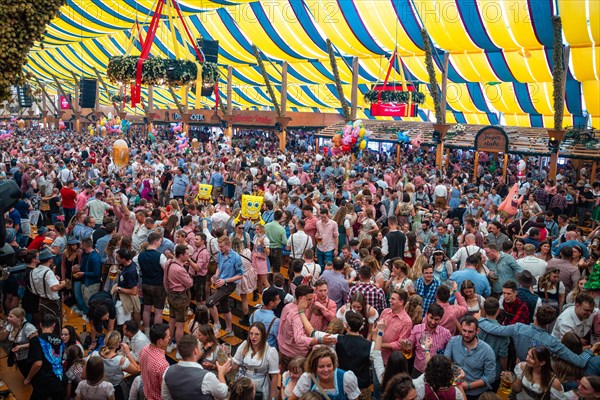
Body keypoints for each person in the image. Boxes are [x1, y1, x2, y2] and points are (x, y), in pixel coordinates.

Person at [278, 285, 336, 372]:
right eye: (309, 299)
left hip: (283, 349)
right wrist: (319, 340)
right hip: (294, 355)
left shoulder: (288, 306)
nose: (312, 302)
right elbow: (299, 338)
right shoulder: (296, 316)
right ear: (301, 298)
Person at [161, 334, 231, 400]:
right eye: (199, 348)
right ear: (195, 350)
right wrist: (221, 373)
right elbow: (222, 394)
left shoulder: (168, 371)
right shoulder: (206, 377)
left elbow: (165, 396)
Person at [445, 316, 496, 399]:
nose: (466, 334)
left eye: (470, 332)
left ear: (477, 331)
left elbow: (490, 377)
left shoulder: (487, 351)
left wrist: (468, 386)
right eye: (464, 330)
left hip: (475, 394)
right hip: (454, 388)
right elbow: (445, 362)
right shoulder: (453, 341)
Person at [290, 347, 361, 400]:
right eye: (321, 367)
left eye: (329, 365)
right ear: (314, 367)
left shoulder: (345, 378)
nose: (326, 370)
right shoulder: (308, 378)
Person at [232, 322, 280, 400]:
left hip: (260, 386)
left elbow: (274, 376)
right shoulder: (244, 345)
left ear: (263, 336)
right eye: (251, 334)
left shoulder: (270, 351)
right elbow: (234, 366)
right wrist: (227, 357)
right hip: (243, 384)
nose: (253, 337)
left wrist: (273, 397)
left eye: (257, 334)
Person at [207, 236, 244, 337]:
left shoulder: (236, 257)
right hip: (221, 282)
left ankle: (217, 324)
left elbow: (240, 275)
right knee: (225, 307)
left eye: (222, 246)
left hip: (229, 284)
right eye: (219, 246)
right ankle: (229, 330)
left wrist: (225, 281)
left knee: (209, 302)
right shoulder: (220, 254)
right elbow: (219, 266)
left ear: (228, 245)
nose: (220, 249)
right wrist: (216, 275)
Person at [89, 330, 139, 400]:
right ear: (118, 343)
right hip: (116, 389)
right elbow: (136, 370)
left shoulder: (94, 354)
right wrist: (128, 353)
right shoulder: (120, 360)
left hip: (99, 387)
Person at [25, 314, 65, 400]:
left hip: (44, 381)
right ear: (54, 325)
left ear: (40, 324)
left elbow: (38, 364)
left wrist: (28, 378)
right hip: (59, 379)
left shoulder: (36, 340)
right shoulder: (60, 341)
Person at [134, 231, 168, 333]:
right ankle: (157, 333)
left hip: (145, 284)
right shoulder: (160, 256)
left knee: (146, 309)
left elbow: (137, 269)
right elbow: (166, 270)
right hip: (158, 286)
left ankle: (147, 331)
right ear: (156, 242)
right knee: (158, 311)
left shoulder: (140, 255)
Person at [407, 303, 452, 377]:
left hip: (437, 373)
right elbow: (409, 347)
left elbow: (450, 353)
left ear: (441, 319)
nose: (433, 322)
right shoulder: (417, 329)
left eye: (436, 319)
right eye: (431, 318)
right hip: (418, 370)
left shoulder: (446, 333)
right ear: (427, 315)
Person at [163, 244, 194, 352]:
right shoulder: (179, 269)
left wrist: (168, 293)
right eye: (186, 254)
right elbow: (190, 283)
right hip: (180, 297)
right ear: (181, 255)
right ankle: (180, 351)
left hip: (171, 294)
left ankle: (169, 343)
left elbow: (165, 280)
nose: (188, 256)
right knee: (180, 325)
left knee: (171, 321)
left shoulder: (169, 262)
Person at [0, 307, 38, 378]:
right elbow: (2, 338)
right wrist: (3, 328)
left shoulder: (28, 327)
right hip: (17, 357)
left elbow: (36, 343)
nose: (8, 318)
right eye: (8, 316)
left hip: (28, 358)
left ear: (19, 318)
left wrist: (21, 346)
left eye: (11, 316)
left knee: (29, 376)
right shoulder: (11, 325)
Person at [140, 323, 171, 400]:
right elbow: (165, 390)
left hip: (146, 394)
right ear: (160, 341)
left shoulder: (144, 349)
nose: (170, 338)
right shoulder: (162, 365)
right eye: (168, 337)